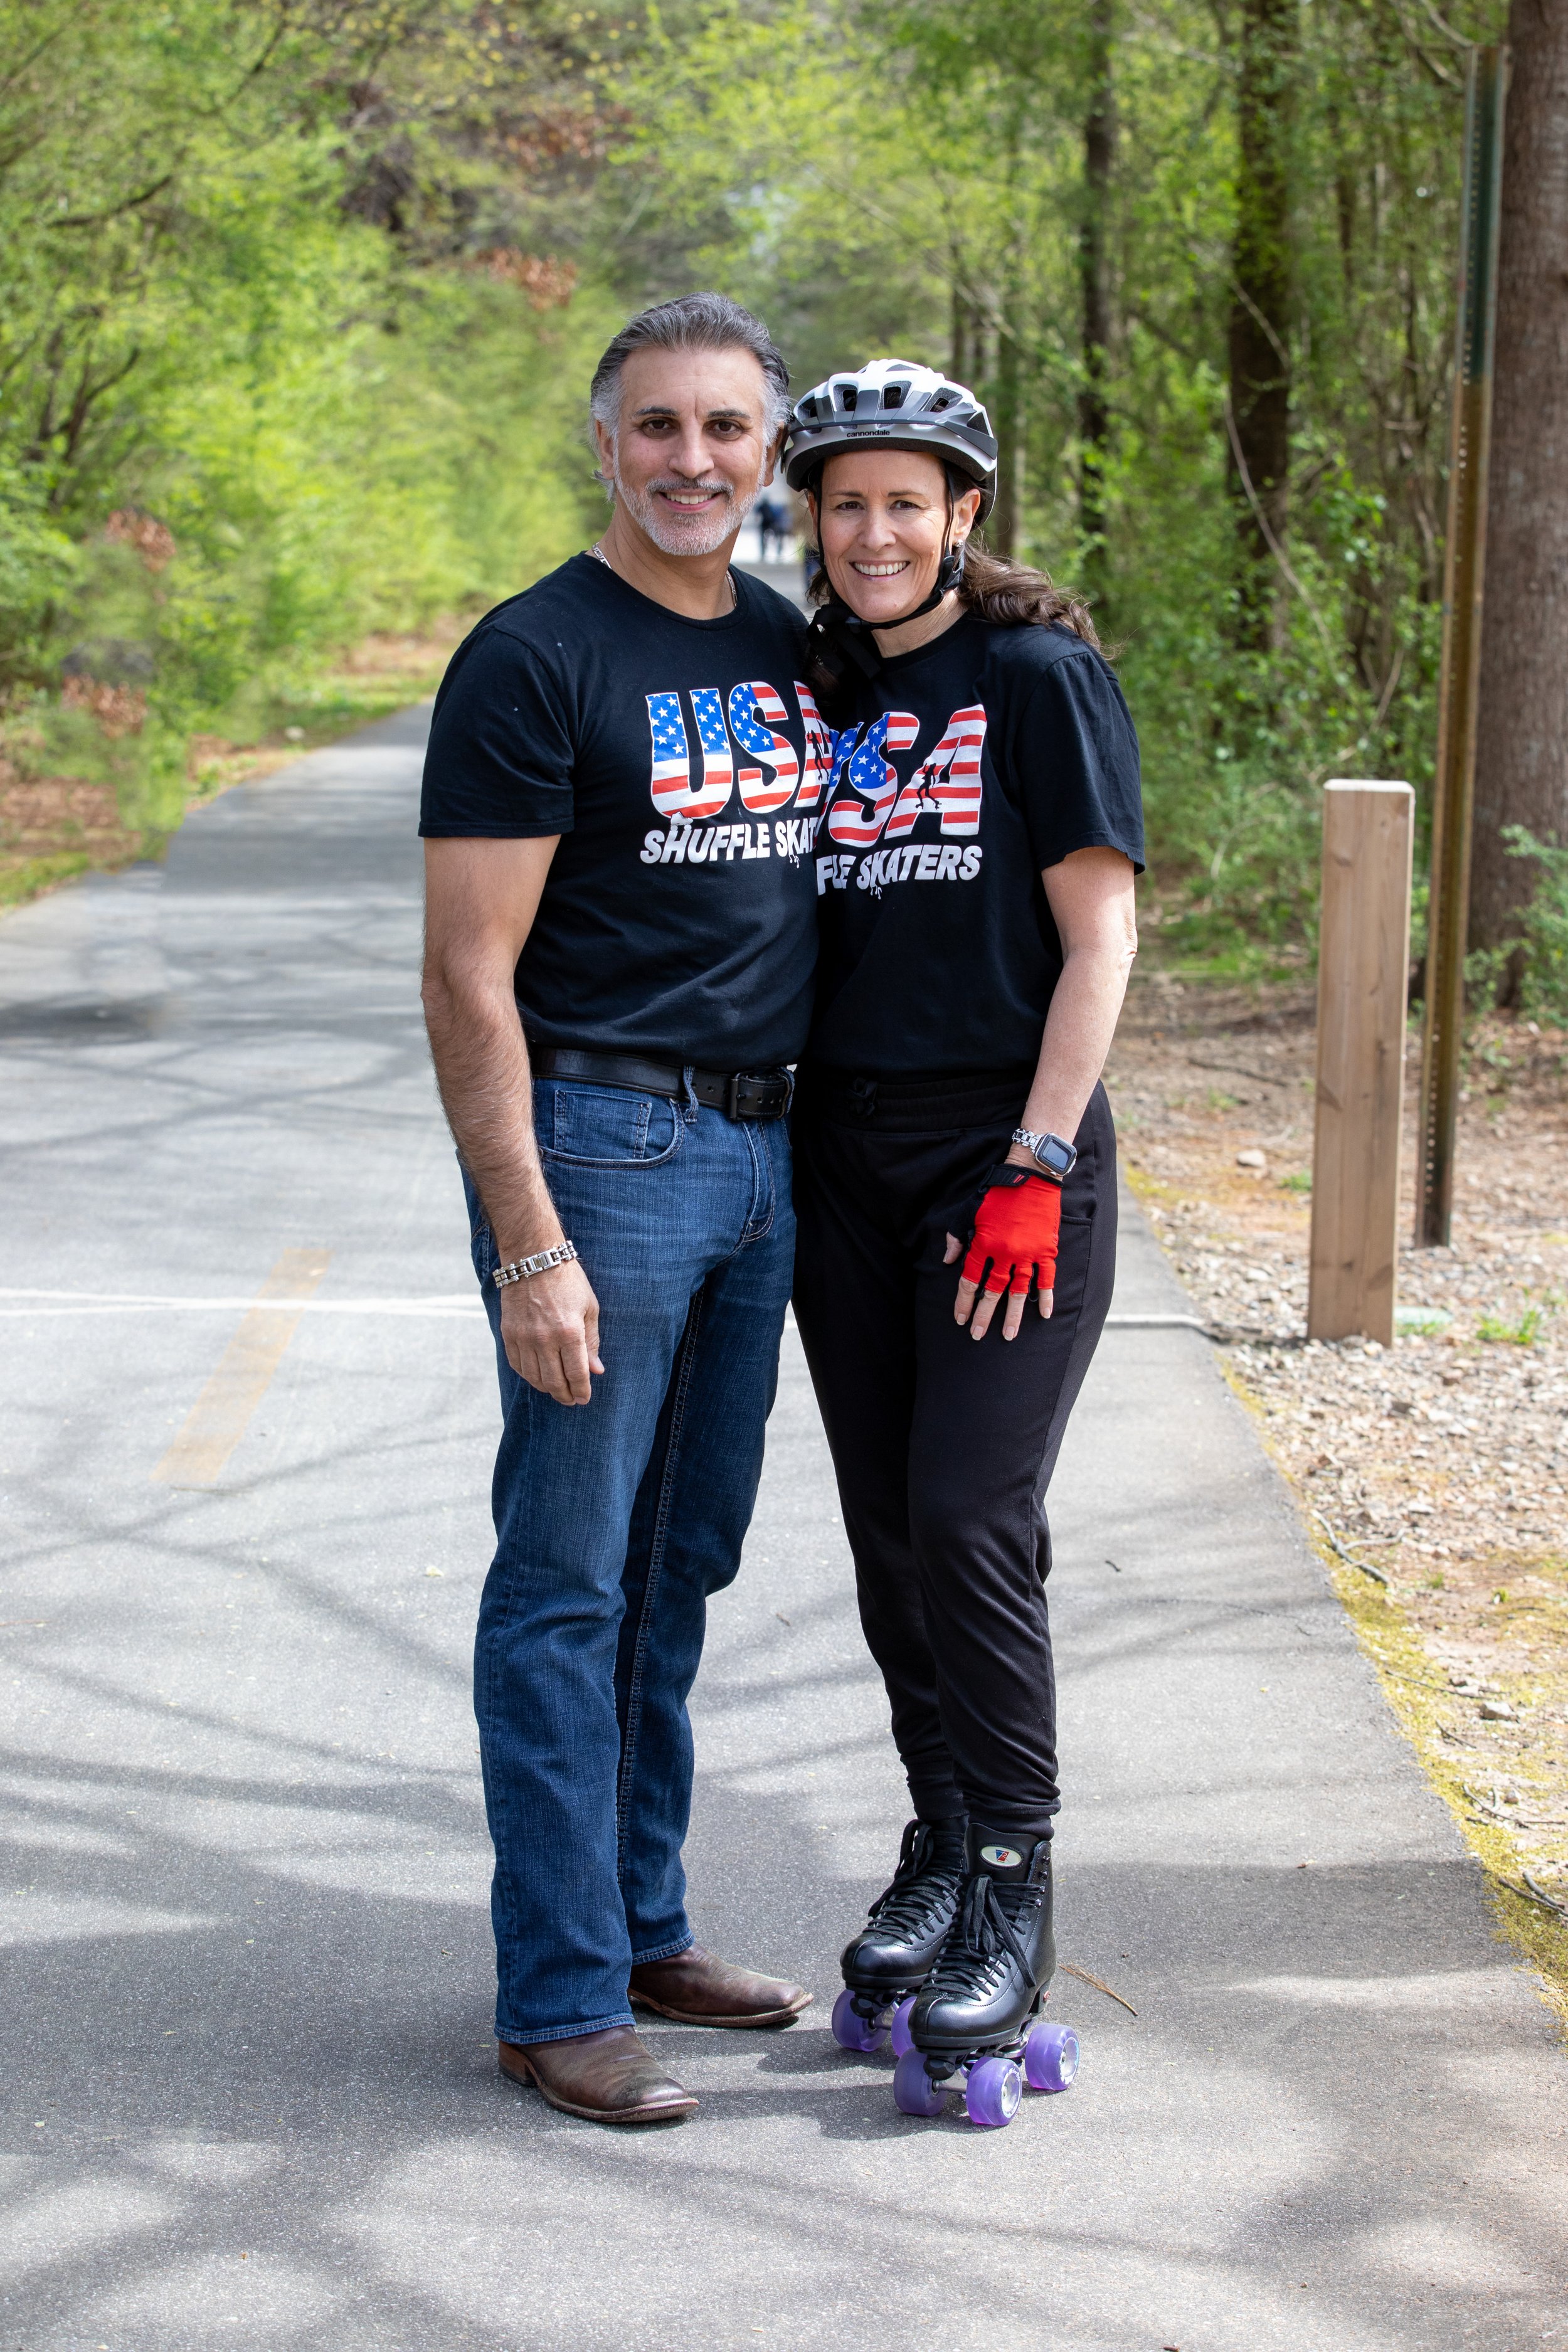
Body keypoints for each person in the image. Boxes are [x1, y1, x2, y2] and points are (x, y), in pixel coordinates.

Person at [419, 293, 828, 2129]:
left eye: (726, 430)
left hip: (765, 1158)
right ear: (606, 445)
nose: (691, 460)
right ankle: (559, 1994)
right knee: (568, 1582)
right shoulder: (533, 658)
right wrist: (526, 1238)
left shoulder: (789, 641)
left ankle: (644, 1921)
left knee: (684, 1569)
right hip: (604, 1150)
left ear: (770, 455)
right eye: (656, 426)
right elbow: (465, 972)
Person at [782, 359, 1143, 2117]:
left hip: (1002, 1165)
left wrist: (1032, 1151)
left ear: (963, 516)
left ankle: (1013, 1883)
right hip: (836, 1162)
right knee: (882, 1533)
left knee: (968, 1515)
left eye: (903, 502)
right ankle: (937, 1833)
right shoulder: (816, 684)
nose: (871, 532)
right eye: (842, 502)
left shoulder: (1035, 675)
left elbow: (1098, 940)